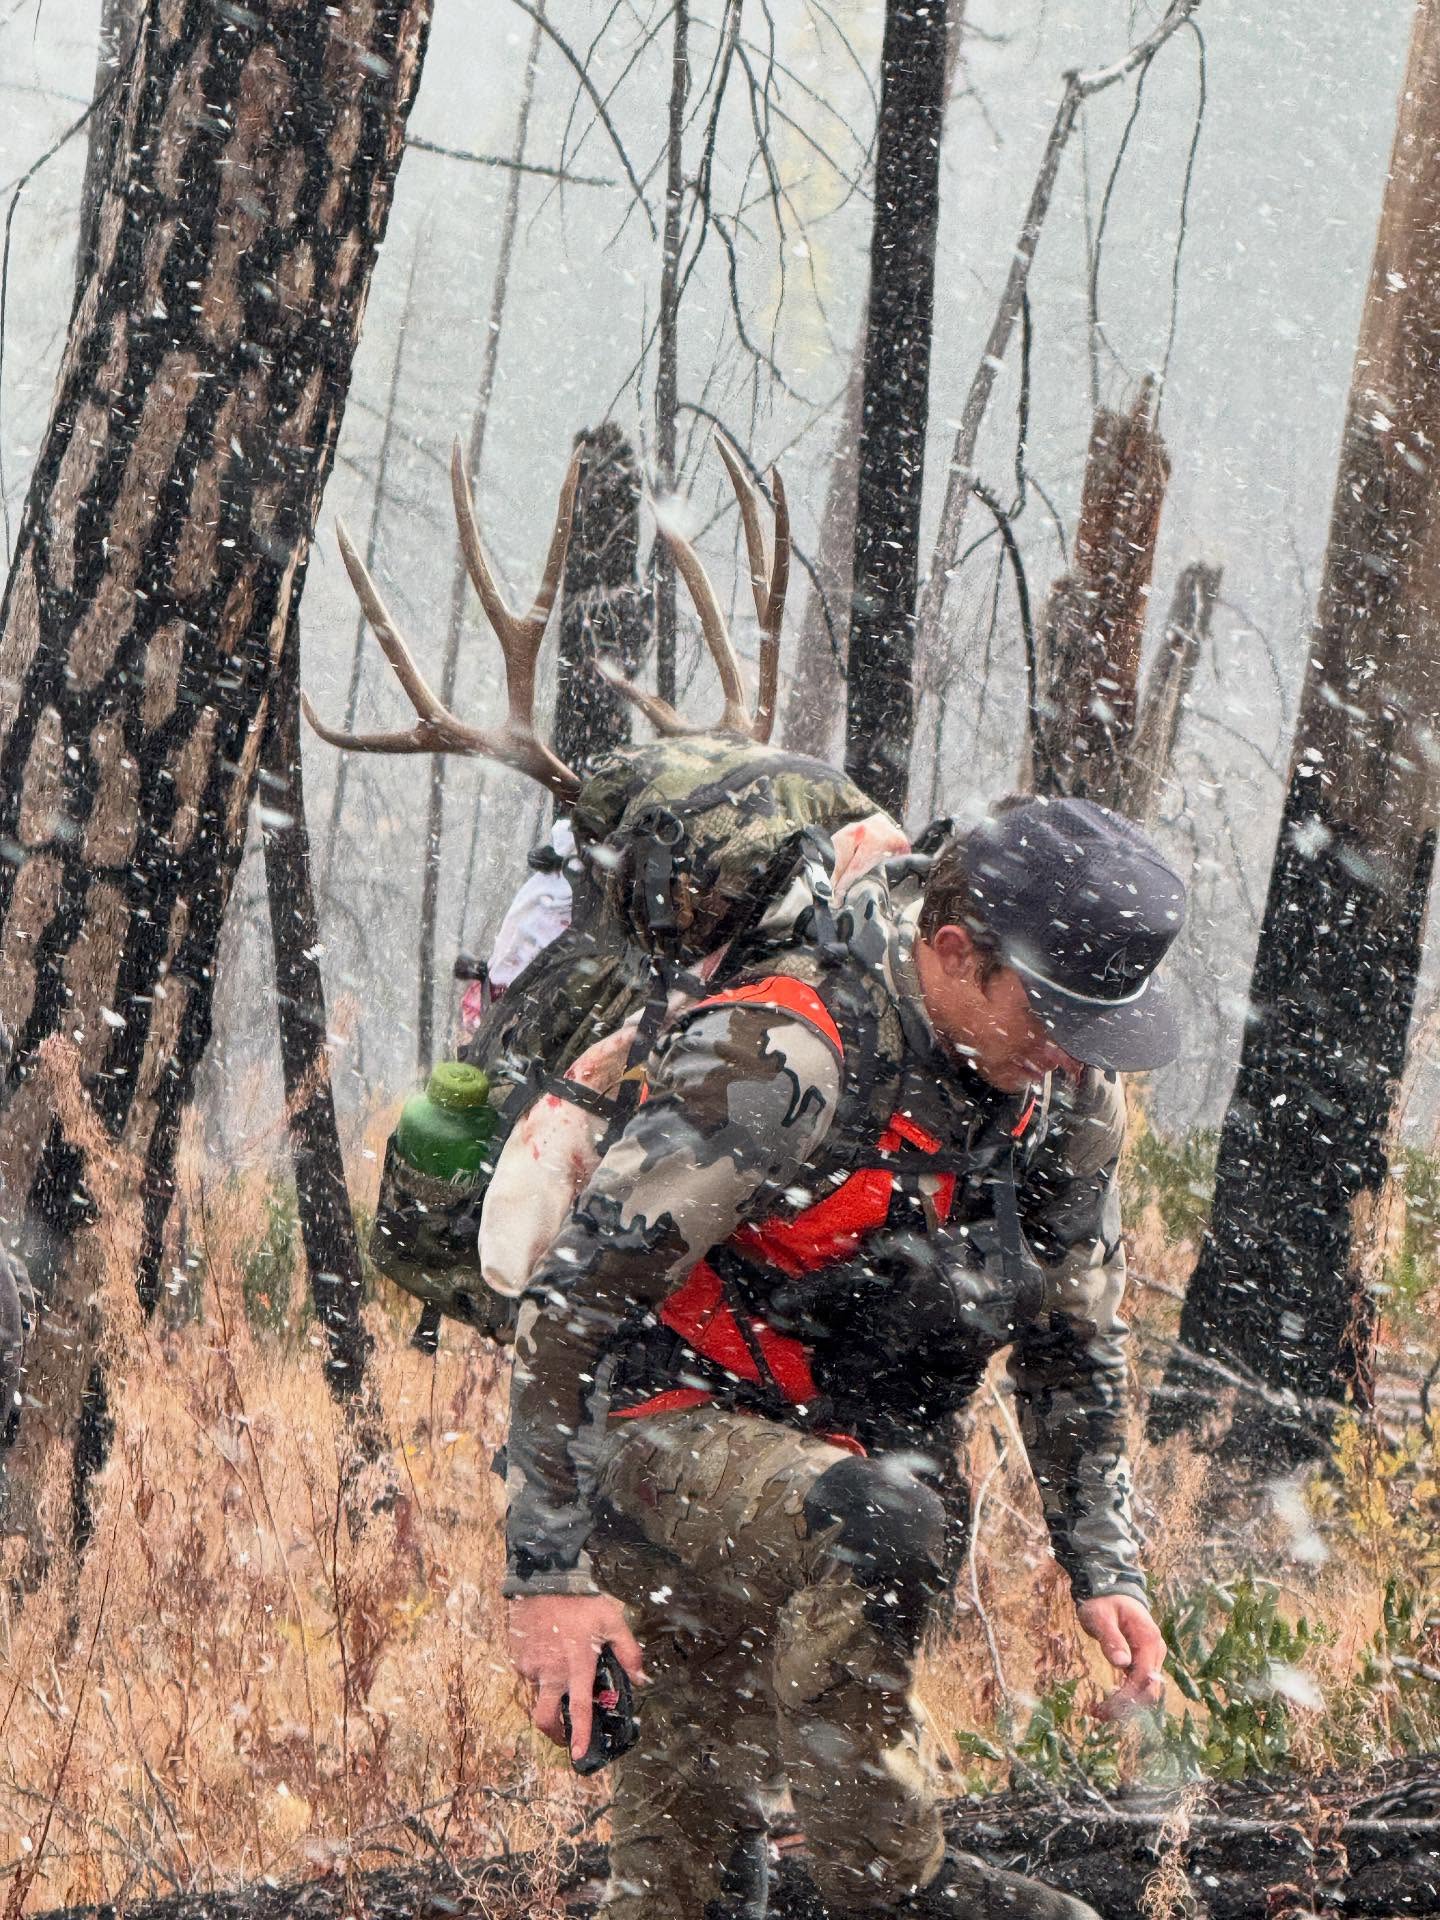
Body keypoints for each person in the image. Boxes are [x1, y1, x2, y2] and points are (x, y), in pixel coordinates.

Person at [502, 795, 1185, 1919]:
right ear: (953, 952)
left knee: (687, 1876)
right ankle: (895, 1889)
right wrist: (548, 1580)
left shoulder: (1064, 1099)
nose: (1071, 1055)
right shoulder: (786, 1050)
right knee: (879, 1524)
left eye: (1093, 1029)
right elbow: (576, 1304)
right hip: (649, 1423)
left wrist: (1103, 1564)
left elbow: (1073, 1345)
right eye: (1052, 1015)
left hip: (827, 1447)